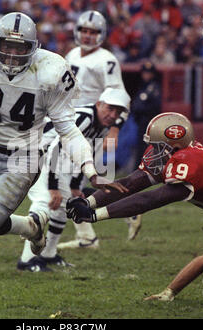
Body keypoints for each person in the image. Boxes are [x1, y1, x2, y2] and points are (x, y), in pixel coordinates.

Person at [0, 12, 116, 312]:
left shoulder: (51, 70)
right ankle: (32, 226)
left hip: (24, 155)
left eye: (20, 48)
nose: (12, 55)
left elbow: (68, 129)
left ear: (34, 47)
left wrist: (91, 171)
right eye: (6, 46)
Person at [66, 112, 203, 300]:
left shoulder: (190, 160)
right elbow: (132, 183)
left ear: (175, 144)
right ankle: (168, 294)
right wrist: (89, 202)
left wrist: (95, 215)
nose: (152, 150)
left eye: (158, 146)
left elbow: (151, 199)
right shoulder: (175, 156)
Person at [17, 87, 131, 271]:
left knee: (62, 208)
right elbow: (56, 148)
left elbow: (86, 154)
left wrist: (75, 185)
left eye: (117, 112)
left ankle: (48, 254)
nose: (113, 115)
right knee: (46, 202)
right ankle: (27, 260)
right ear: (99, 104)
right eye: (110, 108)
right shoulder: (84, 117)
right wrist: (53, 187)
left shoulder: (102, 127)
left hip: (47, 157)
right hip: (33, 153)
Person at [56, 10, 138, 250]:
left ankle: (125, 210)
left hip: (92, 125)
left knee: (68, 179)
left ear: (102, 34)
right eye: (84, 30)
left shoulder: (107, 60)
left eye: (93, 32)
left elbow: (121, 97)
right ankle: (88, 235)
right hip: (71, 122)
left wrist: (115, 127)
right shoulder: (72, 53)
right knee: (72, 182)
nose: (88, 36)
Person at [131, 61, 161, 170]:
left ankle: (144, 169)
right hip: (140, 121)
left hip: (148, 121)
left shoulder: (154, 87)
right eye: (144, 72)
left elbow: (155, 107)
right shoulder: (143, 86)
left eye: (148, 73)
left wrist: (139, 109)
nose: (146, 75)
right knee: (139, 146)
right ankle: (138, 168)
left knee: (146, 146)